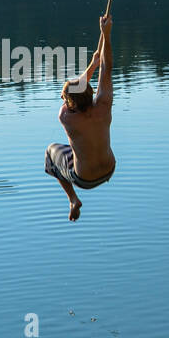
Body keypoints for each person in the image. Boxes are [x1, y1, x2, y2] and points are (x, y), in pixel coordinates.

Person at [44, 14, 115, 221]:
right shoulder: (103, 105)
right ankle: (74, 199)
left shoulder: (66, 117)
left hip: (84, 179)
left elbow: (70, 97)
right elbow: (107, 68)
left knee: (50, 151)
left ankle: (73, 199)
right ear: (91, 92)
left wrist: (91, 67)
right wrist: (106, 36)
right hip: (109, 169)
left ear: (68, 103)